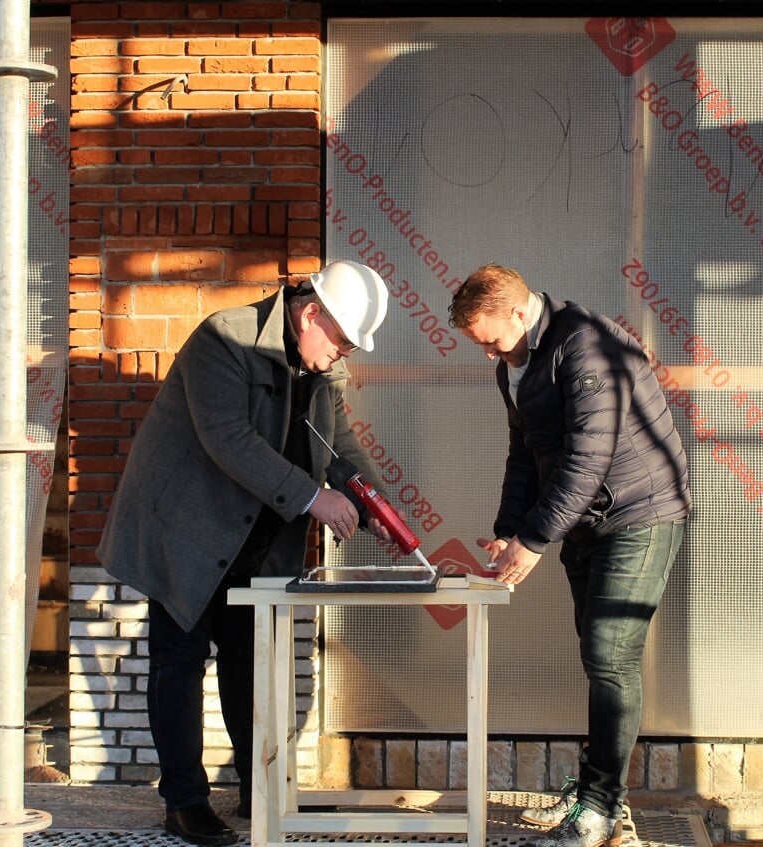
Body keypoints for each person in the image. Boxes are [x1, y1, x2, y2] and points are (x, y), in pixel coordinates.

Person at [97, 260, 395, 847]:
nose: (344, 355)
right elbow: (229, 440)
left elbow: (340, 444)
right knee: (178, 665)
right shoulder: (224, 337)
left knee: (248, 667)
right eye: (342, 341)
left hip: (254, 542)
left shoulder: (315, 365)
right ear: (311, 314)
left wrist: (376, 503)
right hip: (186, 534)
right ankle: (184, 802)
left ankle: (258, 790)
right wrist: (316, 499)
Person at [448, 264, 691, 847]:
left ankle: (601, 808)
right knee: (597, 656)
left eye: (490, 341)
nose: (488, 355)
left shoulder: (585, 346)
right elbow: (523, 454)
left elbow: (589, 459)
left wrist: (533, 542)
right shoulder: (515, 364)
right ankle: (596, 792)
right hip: (585, 524)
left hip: (639, 513)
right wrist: (510, 529)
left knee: (610, 654)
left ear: (519, 312)